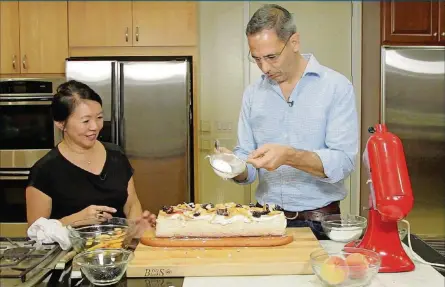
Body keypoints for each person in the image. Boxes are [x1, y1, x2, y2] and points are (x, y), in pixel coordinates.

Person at [219, 4, 358, 240]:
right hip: (265, 219)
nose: (264, 68)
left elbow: (343, 162)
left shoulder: (336, 87)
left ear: (294, 42)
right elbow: (246, 157)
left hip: (321, 223)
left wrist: (289, 156)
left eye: (272, 57)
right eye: (257, 59)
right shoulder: (253, 94)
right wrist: (236, 167)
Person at [26, 80, 156, 229]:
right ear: (61, 123)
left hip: (118, 250)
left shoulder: (116, 155)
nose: (95, 127)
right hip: (71, 252)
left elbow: (131, 205)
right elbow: (36, 233)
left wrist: (137, 228)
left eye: (99, 118)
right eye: (86, 120)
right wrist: (78, 219)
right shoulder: (45, 170)